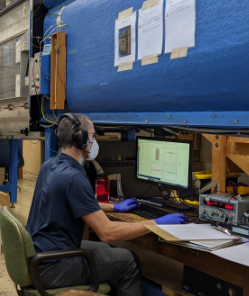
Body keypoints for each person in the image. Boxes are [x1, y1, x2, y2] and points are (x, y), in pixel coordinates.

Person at [26, 113, 189, 296]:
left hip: (38, 258)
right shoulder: (74, 177)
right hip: (53, 267)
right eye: (93, 136)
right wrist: (155, 224)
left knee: (109, 251)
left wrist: (114, 207)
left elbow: (75, 202)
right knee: (129, 261)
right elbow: (107, 232)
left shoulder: (49, 165)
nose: (94, 141)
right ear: (80, 139)